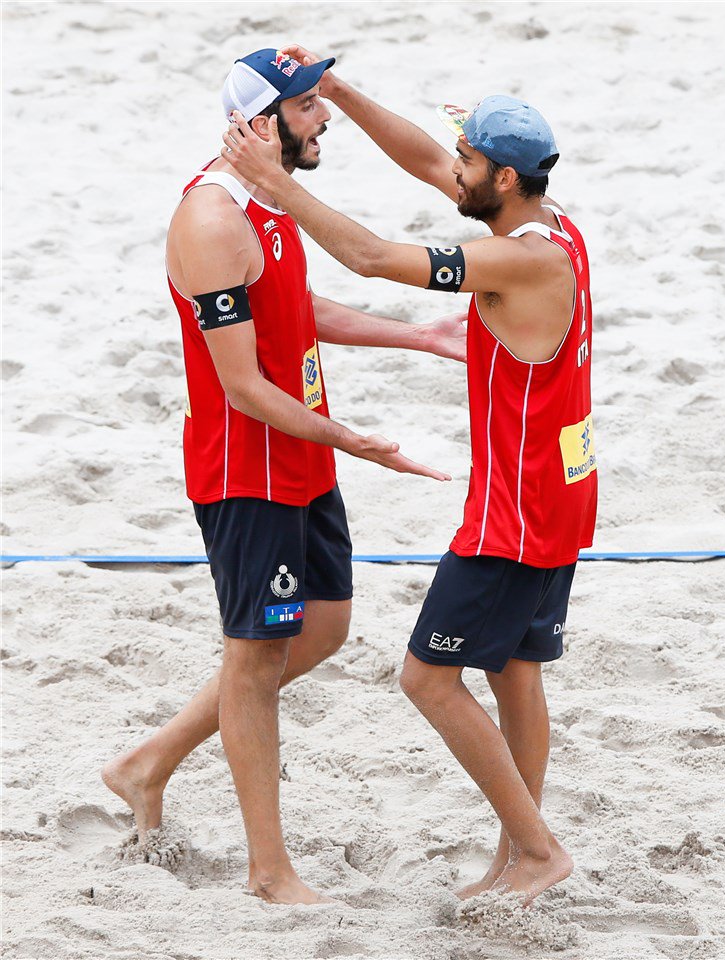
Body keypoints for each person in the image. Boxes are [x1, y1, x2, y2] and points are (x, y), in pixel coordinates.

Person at [221, 46, 597, 907]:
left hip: (518, 509)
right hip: (563, 492)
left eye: (467, 163)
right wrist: (341, 92)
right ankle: (517, 862)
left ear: (502, 177)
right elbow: (431, 161)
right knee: (517, 670)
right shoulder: (546, 220)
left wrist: (275, 185)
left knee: (428, 676)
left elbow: (372, 258)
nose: (448, 168)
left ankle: (537, 852)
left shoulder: (517, 261)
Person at [102, 48, 465, 907]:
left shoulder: (269, 201)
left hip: (300, 457)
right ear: (260, 124)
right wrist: (358, 441)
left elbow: (303, 313)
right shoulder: (211, 222)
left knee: (326, 628)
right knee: (256, 661)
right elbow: (242, 386)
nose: (323, 119)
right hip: (245, 472)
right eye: (307, 108)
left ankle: (146, 761)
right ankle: (270, 873)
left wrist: (421, 336)